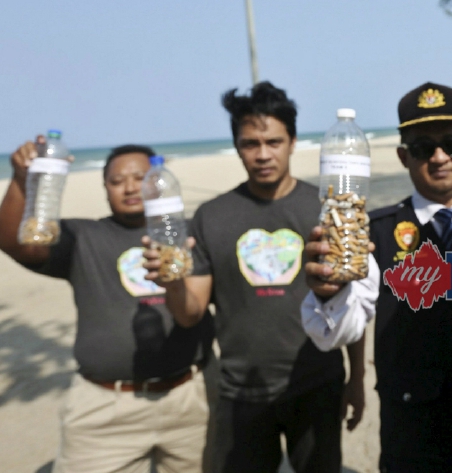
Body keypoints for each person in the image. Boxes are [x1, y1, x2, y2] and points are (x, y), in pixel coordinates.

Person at [143, 82, 367, 473]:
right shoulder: (212, 216)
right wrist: (172, 283)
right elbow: (190, 313)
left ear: (293, 142)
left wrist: (357, 377)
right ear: (236, 146)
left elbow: (352, 302)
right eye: (250, 143)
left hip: (317, 382)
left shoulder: (328, 210)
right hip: (240, 391)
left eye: (273, 141)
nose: (263, 154)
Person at [301, 82, 452, 472]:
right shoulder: (373, 234)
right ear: (402, 156)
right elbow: (337, 331)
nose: (440, 157)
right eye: (422, 147)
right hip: (415, 434)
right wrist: (328, 291)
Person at [0, 140, 213, 473]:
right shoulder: (84, 236)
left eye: (141, 178)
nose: (129, 187)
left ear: (158, 180)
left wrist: (173, 284)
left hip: (187, 403)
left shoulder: (185, 237)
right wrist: (19, 179)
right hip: (103, 409)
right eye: (117, 181)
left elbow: (191, 315)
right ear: (104, 188)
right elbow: (15, 241)